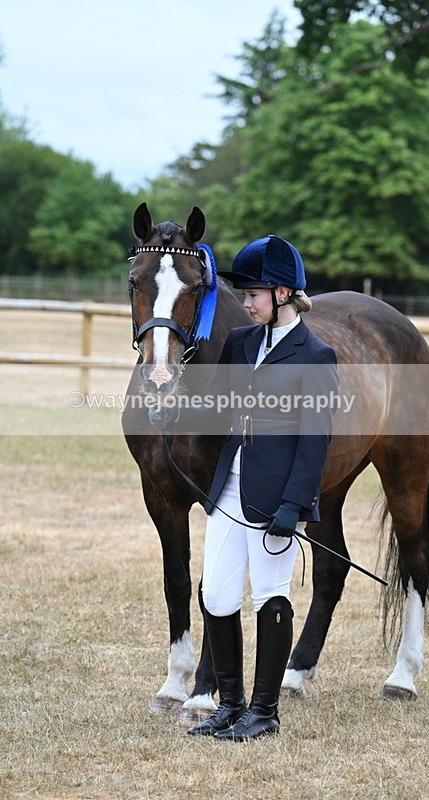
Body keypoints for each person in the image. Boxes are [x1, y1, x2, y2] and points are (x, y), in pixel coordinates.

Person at [149, 234, 338, 741]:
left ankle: (264, 710)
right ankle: (228, 704)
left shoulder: (316, 356)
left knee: (271, 596)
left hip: (275, 497)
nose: (244, 303)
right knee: (219, 593)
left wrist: (295, 504)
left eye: (252, 294)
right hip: (227, 490)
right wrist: (170, 405)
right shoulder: (241, 343)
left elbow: (314, 442)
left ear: (281, 294)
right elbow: (221, 411)